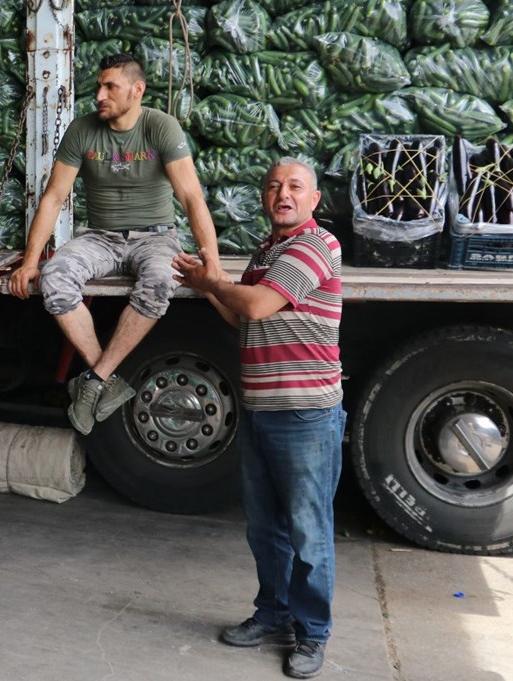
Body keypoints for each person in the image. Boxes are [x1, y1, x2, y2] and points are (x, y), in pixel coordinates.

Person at [172, 158, 345, 679]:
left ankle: (311, 634)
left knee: (308, 532)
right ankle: (272, 614)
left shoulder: (317, 246)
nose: (282, 194)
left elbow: (256, 305)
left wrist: (217, 281)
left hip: (305, 415)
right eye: (272, 186)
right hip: (260, 410)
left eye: (295, 187)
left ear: (314, 200)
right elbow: (238, 312)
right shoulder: (268, 250)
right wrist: (207, 284)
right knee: (266, 528)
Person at [9, 53, 219, 435]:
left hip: (154, 237)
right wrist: (30, 261)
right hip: (99, 237)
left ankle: (93, 379)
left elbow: (191, 197)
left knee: (160, 280)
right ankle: (105, 380)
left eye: (110, 87)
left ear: (137, 91)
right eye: (98, 87)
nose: (100, 95)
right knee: (53, 277)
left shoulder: (160, 127)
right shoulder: (83, 130)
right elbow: (54, 196)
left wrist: (213, 265)